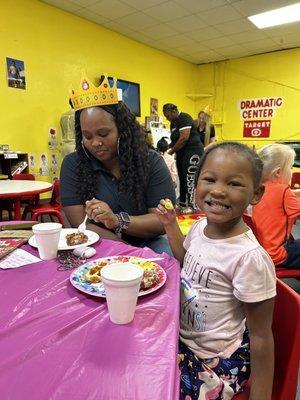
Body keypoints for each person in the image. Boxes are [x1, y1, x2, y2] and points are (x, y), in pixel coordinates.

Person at [156, 142, 276, 400]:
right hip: (185, 340)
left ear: (256, 194)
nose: (219, 191)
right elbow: (186, 260)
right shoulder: (199, 227)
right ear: (196, 184)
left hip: (218, 359)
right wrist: (170, 225)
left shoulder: (249, 258)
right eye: (209, 179)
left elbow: (261, 336)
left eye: (234, 184)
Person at [60, 76, 176, 255]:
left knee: (171, 262)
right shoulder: (73, 164)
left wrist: (117, 220)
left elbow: (162, 222)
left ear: (122, 129)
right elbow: (81, 225)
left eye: (104, 133)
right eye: (87, 136)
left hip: (149, 240)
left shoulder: (150, 161)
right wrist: (128, 252)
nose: (96, 143)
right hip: (100, 242)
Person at [252, 143, 300, 268]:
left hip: (261, 252)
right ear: (278, 172)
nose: (291, 171)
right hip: (278, 255)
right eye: (290, 167)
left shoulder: (259, 190)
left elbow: (278, 200)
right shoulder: (283, 191)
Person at [163, 103, 204, 210]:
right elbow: (175, 140)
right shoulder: (173, 124)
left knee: (189, 178)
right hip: (182, 153)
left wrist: (170, 152)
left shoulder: (184, 118)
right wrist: (165, 148)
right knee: (181, 177)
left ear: (174, 112)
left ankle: (192, 205)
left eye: (168, 116)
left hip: (193, 151)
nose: (168, 119)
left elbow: (183, 138)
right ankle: (182, 203)